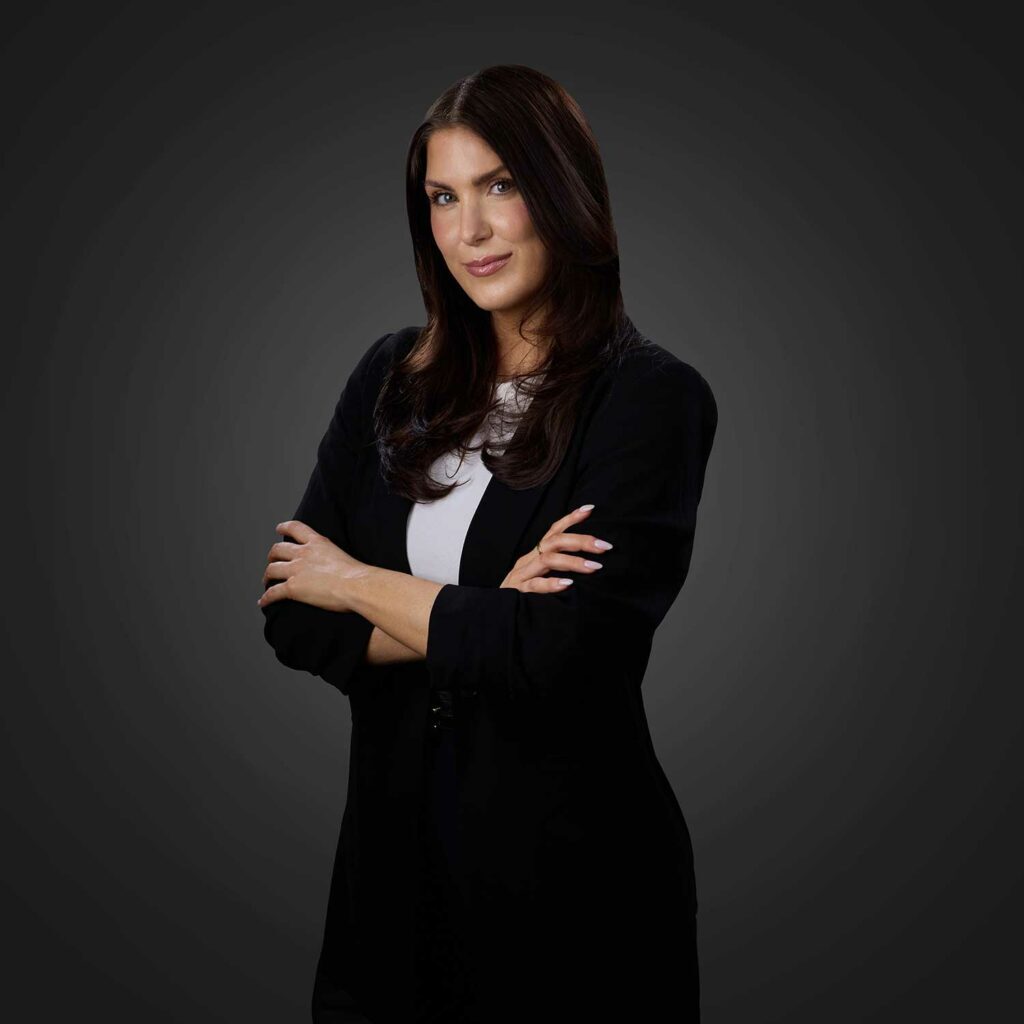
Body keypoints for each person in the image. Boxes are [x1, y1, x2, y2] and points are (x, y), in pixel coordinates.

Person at [259, 64, 718, 1024]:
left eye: (500, 186)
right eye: (443, 196)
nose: (469, 230)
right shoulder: (393, 378)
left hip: (573, 899)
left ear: (565, 190)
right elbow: (296, 624)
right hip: (385, 895)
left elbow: (565, 653)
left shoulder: (648, 400)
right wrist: (484, 614)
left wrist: (355, 581)